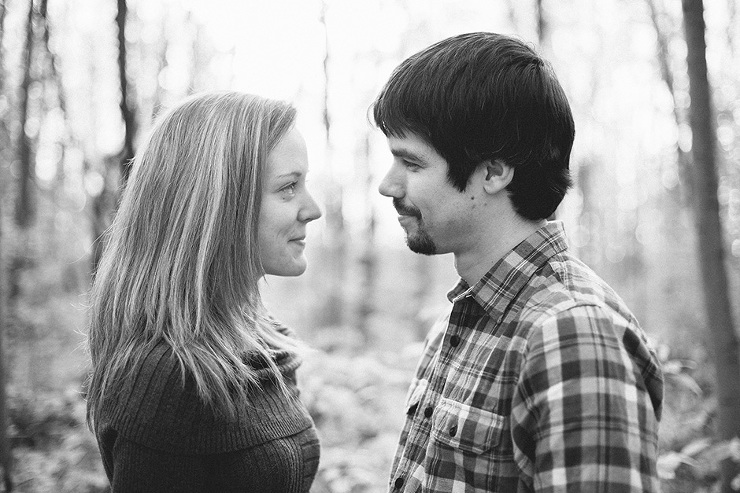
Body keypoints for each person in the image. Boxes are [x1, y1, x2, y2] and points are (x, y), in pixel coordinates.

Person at [372, 32, 663, 492]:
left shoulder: (571, 336)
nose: (388, 185)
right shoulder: (465, 317)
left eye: (411, 163)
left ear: (492, 172)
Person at [85, 91, 323, 492]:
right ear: (221, 204)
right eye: (288, 187)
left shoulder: (265, 338)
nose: (312, 208)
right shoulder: (167, 376)